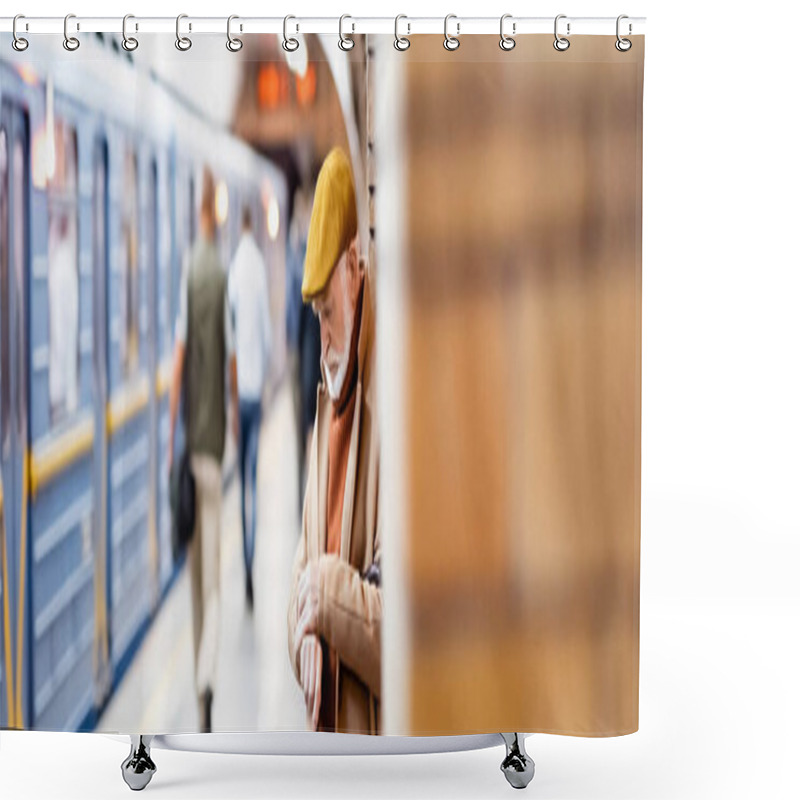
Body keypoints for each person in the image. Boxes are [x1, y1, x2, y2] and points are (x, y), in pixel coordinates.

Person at [286, 147, 382, 734]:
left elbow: (406, 637)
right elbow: (292, 591)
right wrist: (306, 654)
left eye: (328, 314)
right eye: (316, 317)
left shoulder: (389, 408)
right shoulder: (326, 403)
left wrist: (325, 591)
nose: (323, 340)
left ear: (355, 265)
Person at [168, 166, 239, 733]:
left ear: (197, 210)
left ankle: (198, 686)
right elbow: (230, 360)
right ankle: (209, 673)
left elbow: (179, 359)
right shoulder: (223, 274)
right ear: (220, 213)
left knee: (195, 581)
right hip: (217, 451)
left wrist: (174, 432)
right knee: (216, 580)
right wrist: (233, 421)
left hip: (192, 448)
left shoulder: (189, 271)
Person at [228, 205, 271, 609]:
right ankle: (251, 561)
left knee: (239, 482)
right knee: (253, 483)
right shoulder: (259, 267)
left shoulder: (234, 272)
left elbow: (230, 340)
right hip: (257, 392)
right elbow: (269, 335)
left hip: (238, 393)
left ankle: (242, 556)